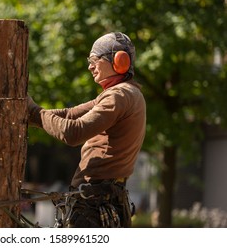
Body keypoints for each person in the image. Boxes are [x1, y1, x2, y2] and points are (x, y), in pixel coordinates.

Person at [27, 32, 146, 228]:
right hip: (104, 200)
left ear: (118, 60)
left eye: (94, 60)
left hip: (95, 204)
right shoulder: (126, 93)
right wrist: (29, 116)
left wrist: (35, 111)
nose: (90, 66)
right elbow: (70, 114)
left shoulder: (119, 96)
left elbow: (73, 132)